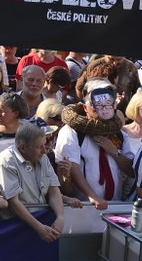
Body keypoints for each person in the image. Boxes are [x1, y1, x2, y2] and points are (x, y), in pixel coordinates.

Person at [56, 80, 130, 209]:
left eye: (107, 101)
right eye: (96, 101)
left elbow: (130, 170)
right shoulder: (72, 132)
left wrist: (114, 152)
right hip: (83, 206)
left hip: (114, 205)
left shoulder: (119, 134)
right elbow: (72, 166)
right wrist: (93, 197)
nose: (102, 105)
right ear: (85, 107)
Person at [0, 122, 65, 243]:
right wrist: (39, 228)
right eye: (39, 147)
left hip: (40, 226)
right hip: (13, 230)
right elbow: (14, 202)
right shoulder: (6, 161)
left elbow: (53, 189)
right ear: (23, 147)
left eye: (44, 145)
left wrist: (60, 217)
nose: (44, 151)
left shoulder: (43, 158)